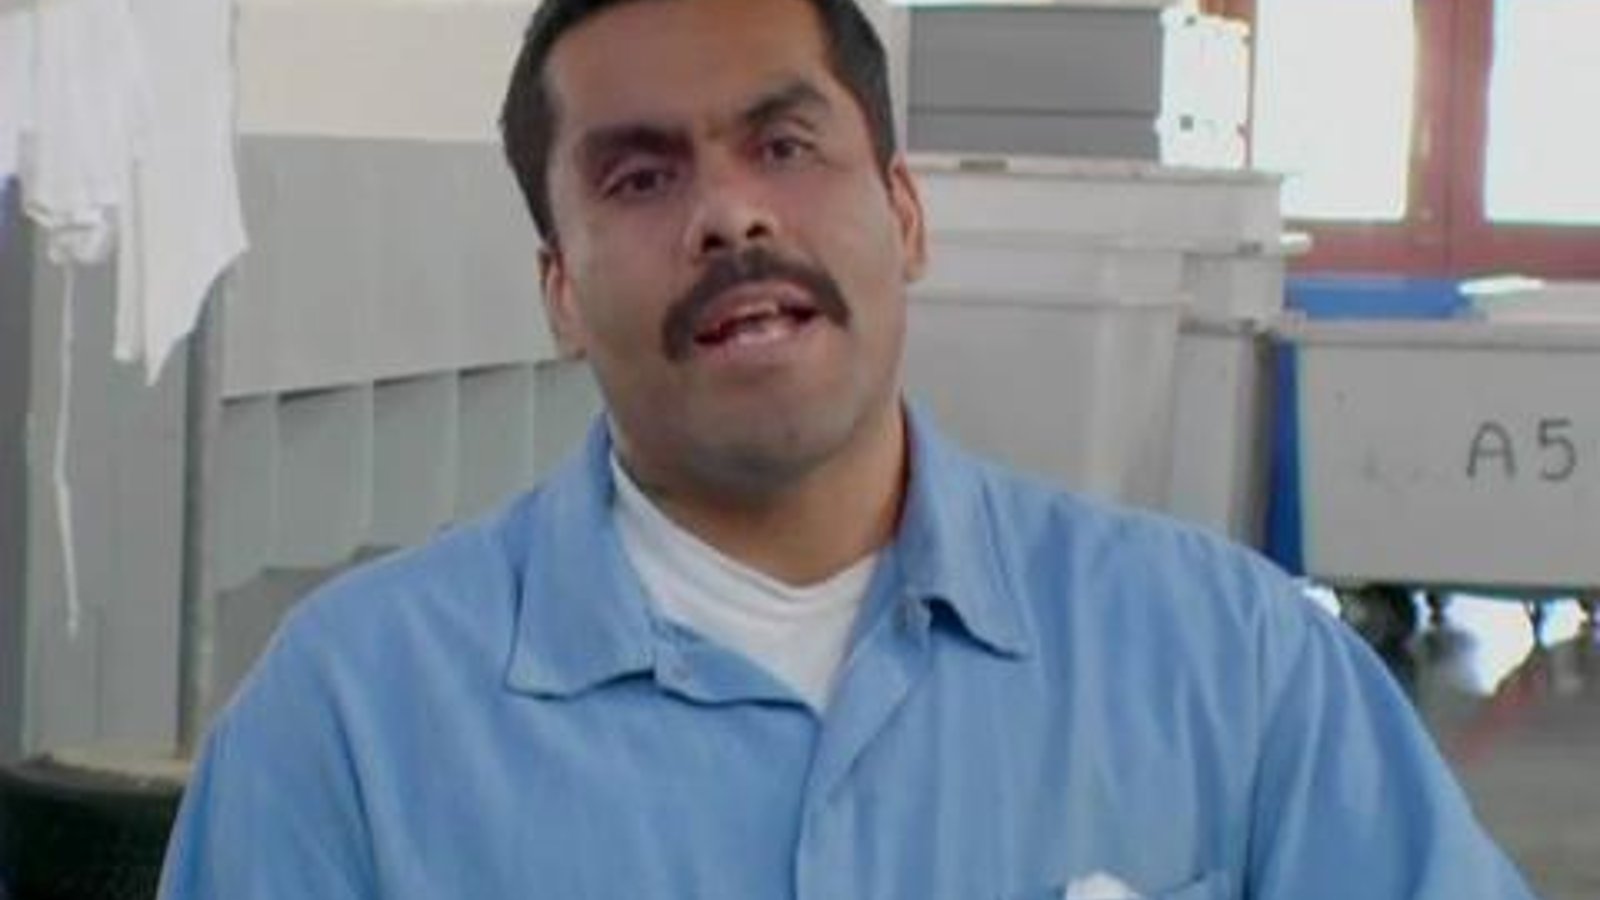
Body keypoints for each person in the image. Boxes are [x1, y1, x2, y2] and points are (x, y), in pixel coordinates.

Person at [158, 0, 1540, 897]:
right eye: (640, 176)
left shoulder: (1230, 666)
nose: (728, 216)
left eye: (784, 146)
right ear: (561, 294)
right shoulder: (350, 724)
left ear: (907, 217)